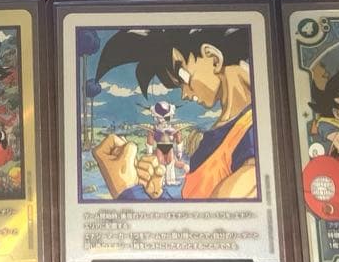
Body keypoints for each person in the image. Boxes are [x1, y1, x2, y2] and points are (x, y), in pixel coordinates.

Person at [92, 27, 257, 199]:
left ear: (213, 59)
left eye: (183, 77)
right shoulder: (222, 134)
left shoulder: (254, 137)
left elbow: (215, 215)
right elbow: (193, 207)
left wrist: (127, 190)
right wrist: (157, 195)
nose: (184, 94)